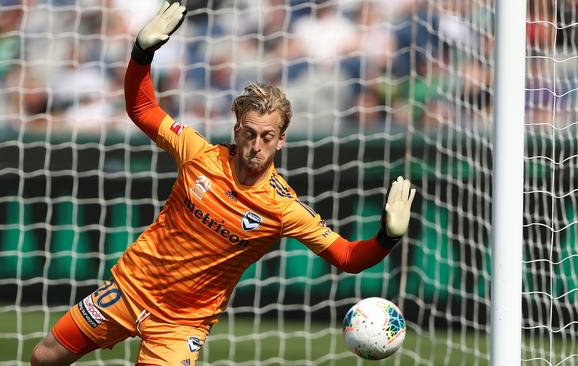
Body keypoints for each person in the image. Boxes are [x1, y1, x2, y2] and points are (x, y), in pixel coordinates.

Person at [31, 3, 416, 365]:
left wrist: (387, 237)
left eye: (267, 136)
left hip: (180, 325)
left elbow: (347, 257)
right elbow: (142, 109)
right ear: (237, 129)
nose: (256, 144)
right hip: (128, 289)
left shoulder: (283, 207)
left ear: (281, 139)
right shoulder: (198, 153)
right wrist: (141, 52)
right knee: (44, 357)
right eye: (249, 133)